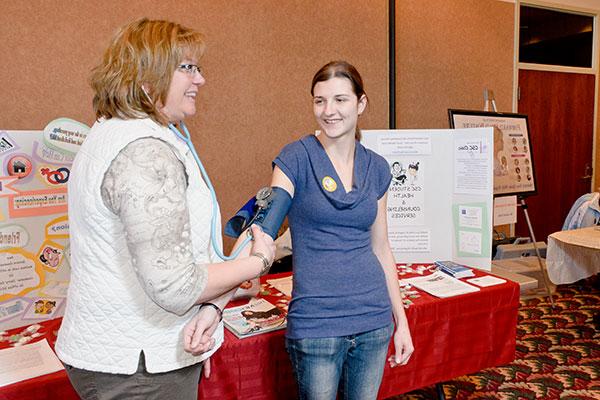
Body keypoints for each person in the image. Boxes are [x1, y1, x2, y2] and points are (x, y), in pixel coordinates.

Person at [55, 18, 275, 400]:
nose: (200, 79)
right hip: (137, 369)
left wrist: (211, 311)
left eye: (198, 67)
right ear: (146, 78)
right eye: (186, 67)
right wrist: (257, 261)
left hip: (135, 354)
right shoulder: (144, 152)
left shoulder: (118, 132)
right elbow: (175, 287)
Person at [270, 60, 414, 400]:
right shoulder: (295, 158)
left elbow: (381, 249)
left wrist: (402, 322)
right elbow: (264, 229)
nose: (329, 110)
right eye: (319, 101)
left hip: (373, 319)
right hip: (316, 323)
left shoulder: (376, 168)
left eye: (340, 100)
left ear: (360, 104)